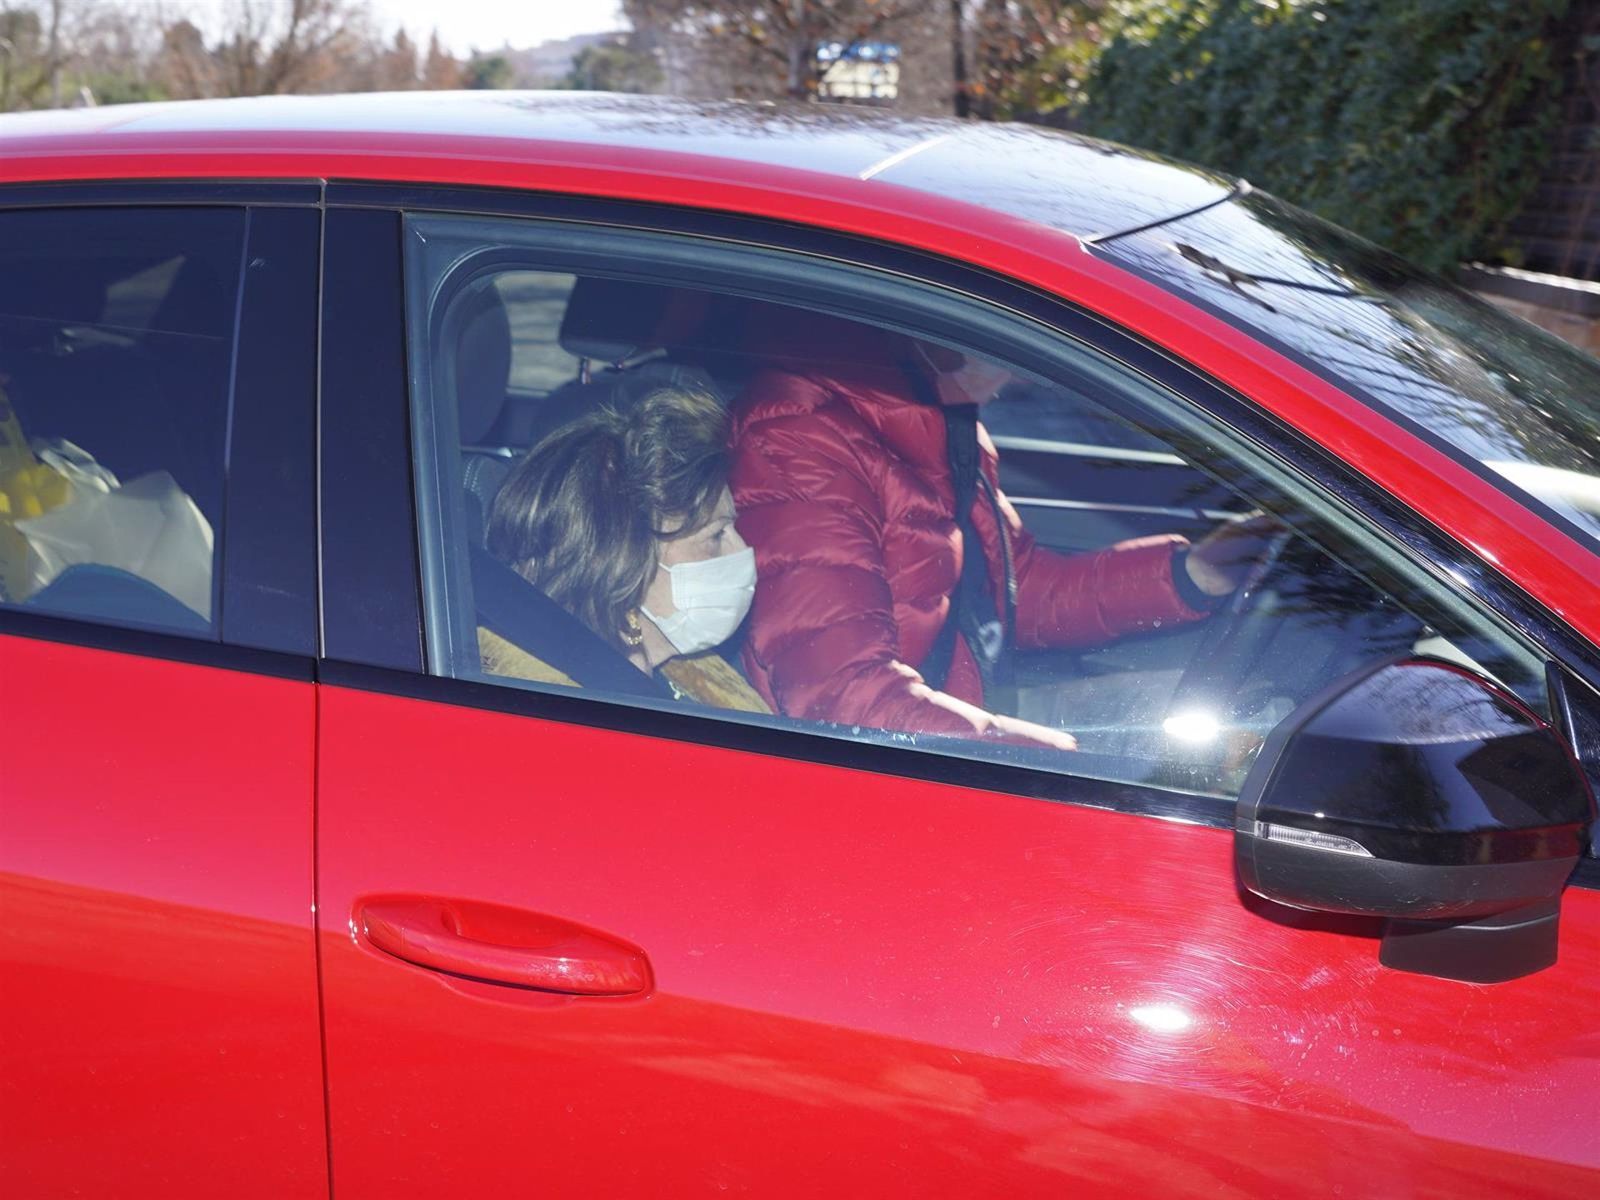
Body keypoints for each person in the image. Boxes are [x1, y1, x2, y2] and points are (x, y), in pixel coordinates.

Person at [728, 313, 1272, 748]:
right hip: (893, 757)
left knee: (1252, 712)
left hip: (962, 705)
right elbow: (838, 696)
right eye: (1005, 348)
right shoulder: (801, 438)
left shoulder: (938, 416)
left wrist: (1193, 572)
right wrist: (1035, 760)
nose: (1018, 374)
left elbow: (1015, 591)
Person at [485, 387, 768, 712]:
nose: (742, 551)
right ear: (624, 559)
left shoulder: (698, 675)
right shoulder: (550, 713)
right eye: (716, 535)